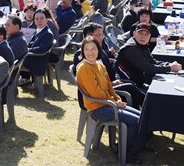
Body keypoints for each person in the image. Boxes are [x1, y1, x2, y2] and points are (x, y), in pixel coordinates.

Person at [76, 36, 143, 164]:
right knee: (135, 121)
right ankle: (124, 154)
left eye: (93, 48)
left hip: (109, 104)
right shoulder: (84, 68)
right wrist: (115, 102)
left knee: (141, 117)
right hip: (98, 108)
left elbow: (109, 87)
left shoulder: (100, 66)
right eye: (87, 49)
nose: (90, 52)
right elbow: (95, 93)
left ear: (98, 49)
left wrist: (117, 99)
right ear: (83, 51)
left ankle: (129, 146)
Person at [116, 23, 181, 88]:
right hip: (127, 85)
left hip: (137, 82)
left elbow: (153, 62)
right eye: (140, 33)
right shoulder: (131, 48)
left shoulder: (142, 45)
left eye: (146, 34)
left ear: (150, 36)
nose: (143, 36)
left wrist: (169, 65)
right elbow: (147, 68)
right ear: (134, 33)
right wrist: (170, 68)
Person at [21, 9, 55, 87]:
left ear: (47, 19)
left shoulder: (47, 34)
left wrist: (27, 50)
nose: (39, 21)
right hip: (32, 57)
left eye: (42, 18)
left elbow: (41, 49)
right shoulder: (38, 31)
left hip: (38, 60)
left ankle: (12, 85)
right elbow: (30, 44)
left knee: (14, 62)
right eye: (36, 19)